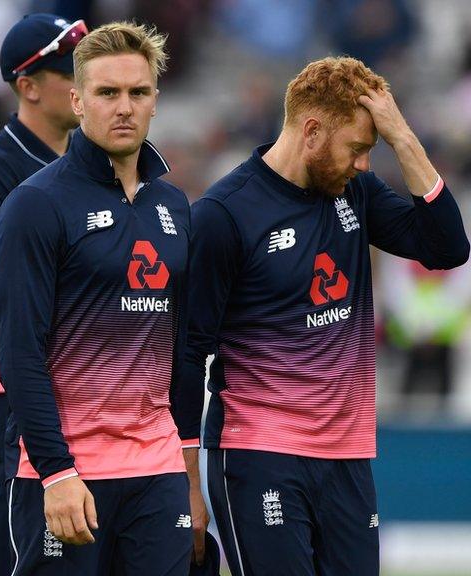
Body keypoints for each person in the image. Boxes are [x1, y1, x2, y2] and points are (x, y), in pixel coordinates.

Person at [183, 56, 469, 575]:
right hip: (257, 454)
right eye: (357, 148)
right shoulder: (222, 215)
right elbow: (186, 356)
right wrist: (186, 486)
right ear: (312, 130)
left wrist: (402, 137)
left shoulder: (355, 193)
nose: (363, 164)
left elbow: (448, 247)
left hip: (346, 457)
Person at [0, 21, 206, 575]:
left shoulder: (174, 206)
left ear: (156, 101)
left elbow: (184, 352)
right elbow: (19, 354)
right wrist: (57, 472)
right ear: (77, 99)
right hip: (71, 476)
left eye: (138, 92)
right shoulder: (35, 205)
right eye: (108, 93)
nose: (124, 107)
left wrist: (189, 470)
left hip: (157, 473)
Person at [0, 14, 85, 576]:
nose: (81, 83)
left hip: (101, 394)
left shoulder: (102, 165)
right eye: (67, 71)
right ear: (27, 85)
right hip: (15, 398)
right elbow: (13, 291)